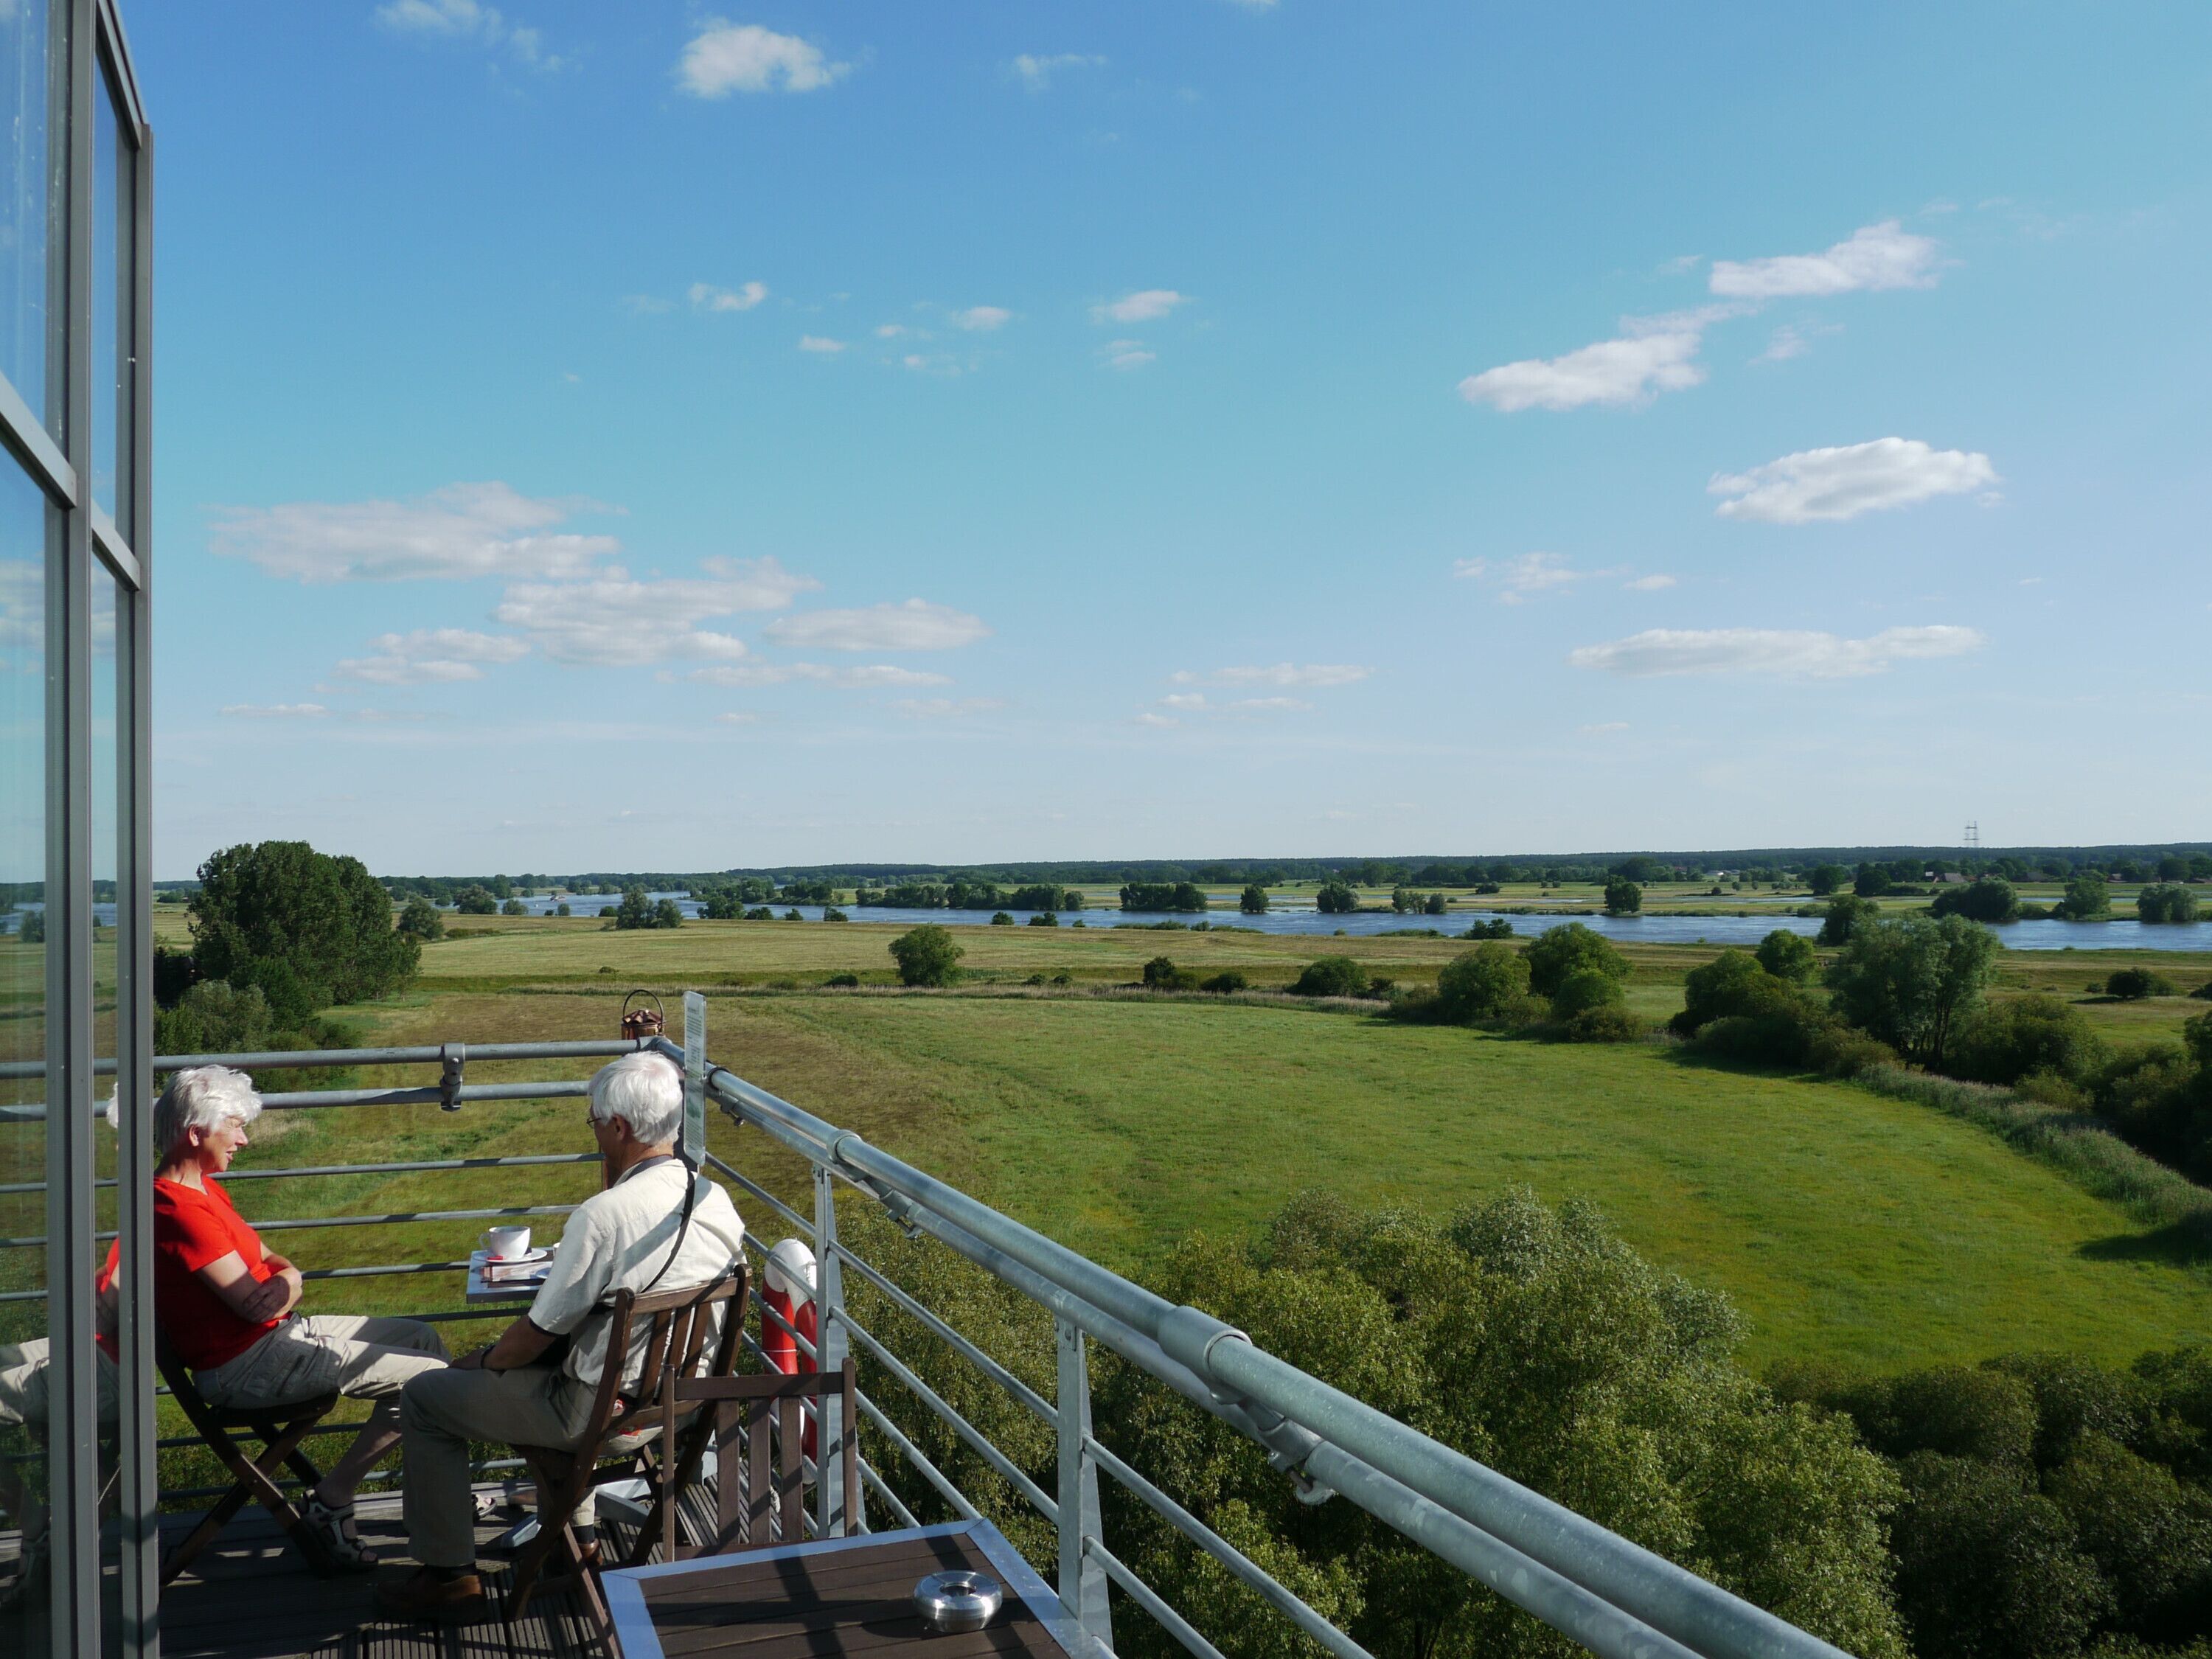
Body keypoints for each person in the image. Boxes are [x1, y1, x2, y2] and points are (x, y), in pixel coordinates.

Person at [380, 1051, 744, 1617]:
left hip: (604, 1417)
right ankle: (581, 1547)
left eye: (596, 1123)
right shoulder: (716, 1199)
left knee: (426, 1399)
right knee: (563, 1378)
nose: (596, 1133)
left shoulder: (605, 1215)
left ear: (620, 1127)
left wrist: (483, 1361)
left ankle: (449, 1575)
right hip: (679, 1407)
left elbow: (536, 1333)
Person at [146, 1066, 449, 1570]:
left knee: (424, 1339)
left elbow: (276, 1265)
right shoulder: (178, 1209)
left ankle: (427, 1510)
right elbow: (249, 1301)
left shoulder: (204, 1188)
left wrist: (288, 1282)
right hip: (245, 1366)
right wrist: (284, 1284)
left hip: (278, 1334)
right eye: (235, 1127)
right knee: (434, 1383)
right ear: (195, 1133)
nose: (243, 1140)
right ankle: (332, 1498)